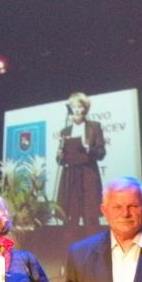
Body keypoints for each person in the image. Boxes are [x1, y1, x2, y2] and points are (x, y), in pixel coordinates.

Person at [56, 92, 106, 230]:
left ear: (85, 109)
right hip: (71, 177)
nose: (77, 110)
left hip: (88, 175)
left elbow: (101, 152)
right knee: (71, 219)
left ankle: (94, 244)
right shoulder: (65, 131)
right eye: (74, 107)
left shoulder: (94, 127)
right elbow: (59, 160)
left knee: (91, 217)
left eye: (80, 106)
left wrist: (88, 148)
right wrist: (60, 155)